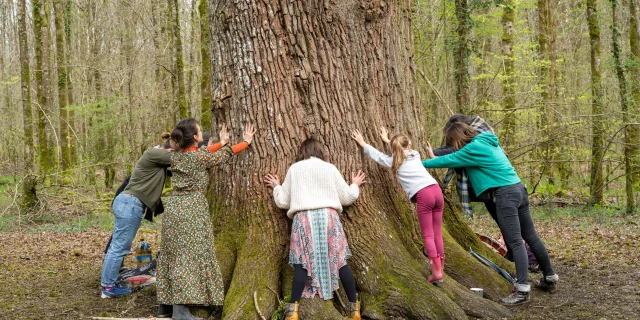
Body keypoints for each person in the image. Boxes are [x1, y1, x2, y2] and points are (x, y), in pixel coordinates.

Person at [422, 122, 559, 304]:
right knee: (531, 237)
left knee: (515, 241)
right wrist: (434, 155)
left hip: (505, 194)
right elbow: (454, 156)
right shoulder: (486, 141)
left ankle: (522, 289)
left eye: (452, 143)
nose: (453, 147)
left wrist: (421, 162)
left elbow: (450, 160)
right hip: (519, 190)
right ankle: (550, 276)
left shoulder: (473, 148)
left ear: (457, 138)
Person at [156, 119, 255, 320]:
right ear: (194, 137)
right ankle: (180, 312)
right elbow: (222, 156)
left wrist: (223, 141)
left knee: (174, 254)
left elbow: (207, 153)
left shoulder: (178, 156)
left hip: (175, 209)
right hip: (190, 211)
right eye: (200, 130)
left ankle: (165, 306)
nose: (202, 132)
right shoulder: (196, 158)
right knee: (187, 257)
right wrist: (245, 142)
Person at [264, 137, 366, 320]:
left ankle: (292, 313)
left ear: (302, 152)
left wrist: (276, 186)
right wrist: (355, 185)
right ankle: (355, 311)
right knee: (340, 262)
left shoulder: (295, 169)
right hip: (329, 218)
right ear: (320, 152)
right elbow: (348, 196)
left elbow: (282, 201)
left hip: (304, 219)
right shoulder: (330, 168)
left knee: (302, 266)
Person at [351, 128, 445, 284]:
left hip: (424, 195)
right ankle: (440, 266)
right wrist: (388, 140)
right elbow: (401, 149)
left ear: (394, 149)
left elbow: (378, 156)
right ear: (408, 144)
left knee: (428, 235)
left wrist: (363, 143)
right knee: (437, 233)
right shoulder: (415, 154)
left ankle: (436, 272)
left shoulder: (394, 161)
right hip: (436, 190)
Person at [101, 134, 173, 299]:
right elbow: (183, 158)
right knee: (119, 248)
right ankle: (108, 288)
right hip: (130, 203)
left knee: (117, 247)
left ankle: (108, 284)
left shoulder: (158, 161)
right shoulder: (154, 153)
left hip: (129, 203)